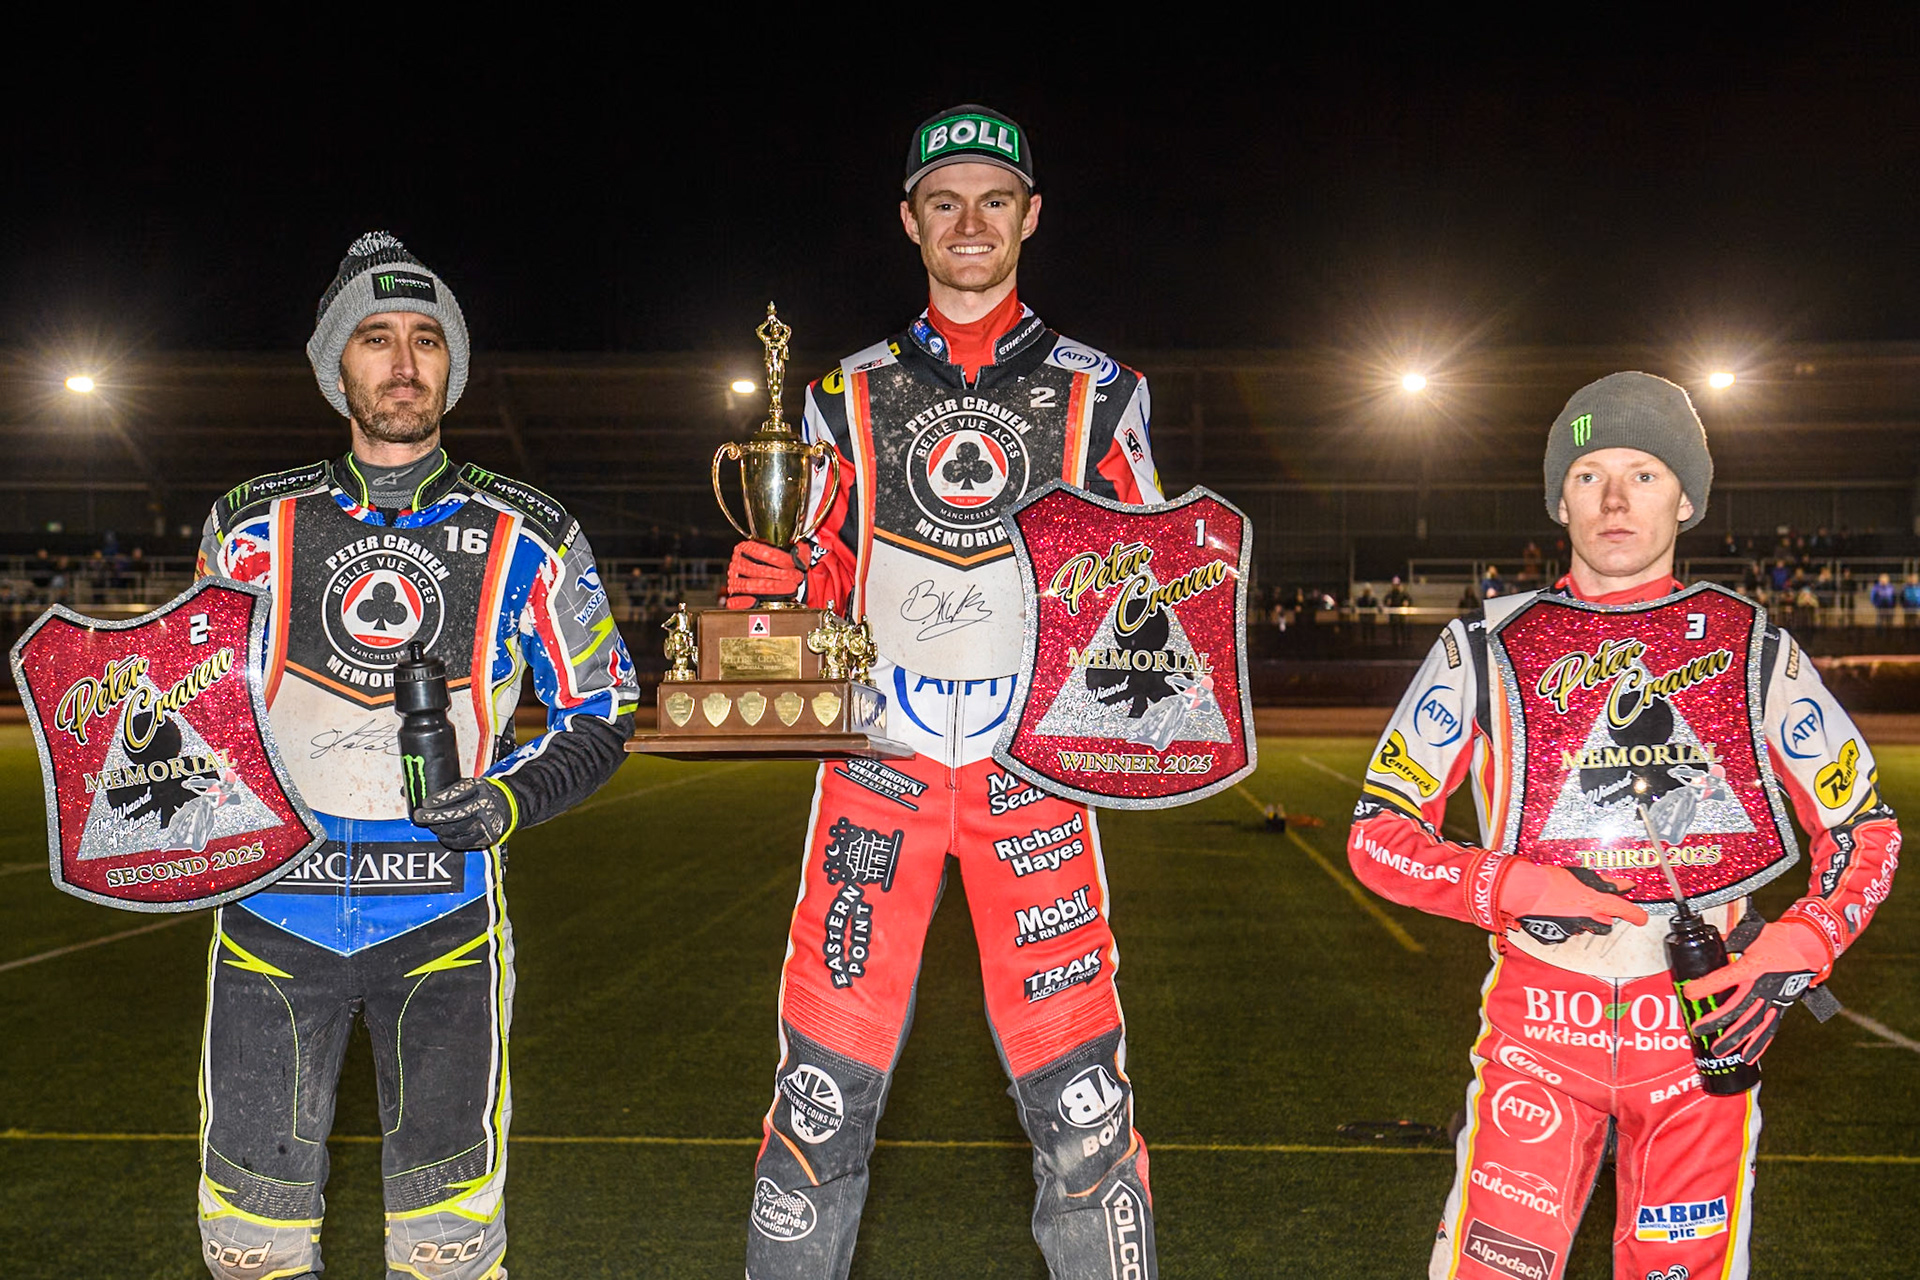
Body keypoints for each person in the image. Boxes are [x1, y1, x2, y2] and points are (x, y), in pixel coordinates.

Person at [726, 105, 1163, 1279]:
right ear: (908, 221)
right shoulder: (838, 396)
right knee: (819, 1104)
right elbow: (815, 583)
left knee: (1083, 1109)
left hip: (1036, 783)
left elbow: (1145, 590)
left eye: (994, 200)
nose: (970, 224)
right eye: (944, 201)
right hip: (879, 775)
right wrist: (778, 587)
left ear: (1031, 215)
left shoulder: (1105, 395)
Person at [1346, 372, 1899, 1279]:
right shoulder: (1484, 645)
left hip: (1702, 1039)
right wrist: (1520, 886)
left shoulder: (1750, 645)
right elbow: (1377, 836)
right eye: (1590, 473)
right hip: (1537, 1036)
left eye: (1643, 474)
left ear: (1686, 497)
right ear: (1558, 496)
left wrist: (1801, 940)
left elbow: (1867, 828)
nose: (1613, 499)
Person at [193, 232, 638, 1280]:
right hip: (270, 919)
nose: (403, 361)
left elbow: (602, 707)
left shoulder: (531, 530)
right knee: (248, 1247)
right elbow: (194, 711)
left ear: (454, 364)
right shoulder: (247, 524)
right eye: (376, 338)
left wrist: (507, 801)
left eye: (427, 339)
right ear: (333, 364)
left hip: (444, 919)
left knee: (447, 1250)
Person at [1386, 575, 1414, 644]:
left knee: (1403, 629)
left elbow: (1410, 600)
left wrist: (1407, 602)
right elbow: (1385, 600)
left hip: (1402, 615)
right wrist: (1387, 602)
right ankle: (1395, 643)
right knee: (1394, 630)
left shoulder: (1403, 593)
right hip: (1393, 615)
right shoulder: (1390, 594)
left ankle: (1404, 642)